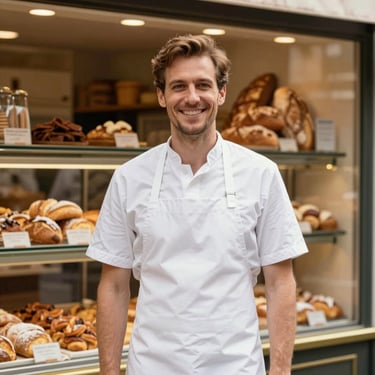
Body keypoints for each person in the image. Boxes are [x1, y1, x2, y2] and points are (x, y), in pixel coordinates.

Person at [86, 34, 308, 375]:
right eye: (178, 87)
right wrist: (108, 372)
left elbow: (281, 283)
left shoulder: (261, 174)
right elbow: (114, 286)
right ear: (161, 96)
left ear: (221, 92)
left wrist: (280, 372)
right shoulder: (130, 177)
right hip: (153, 366)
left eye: (203, 85)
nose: (192, 98)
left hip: (235, 366)